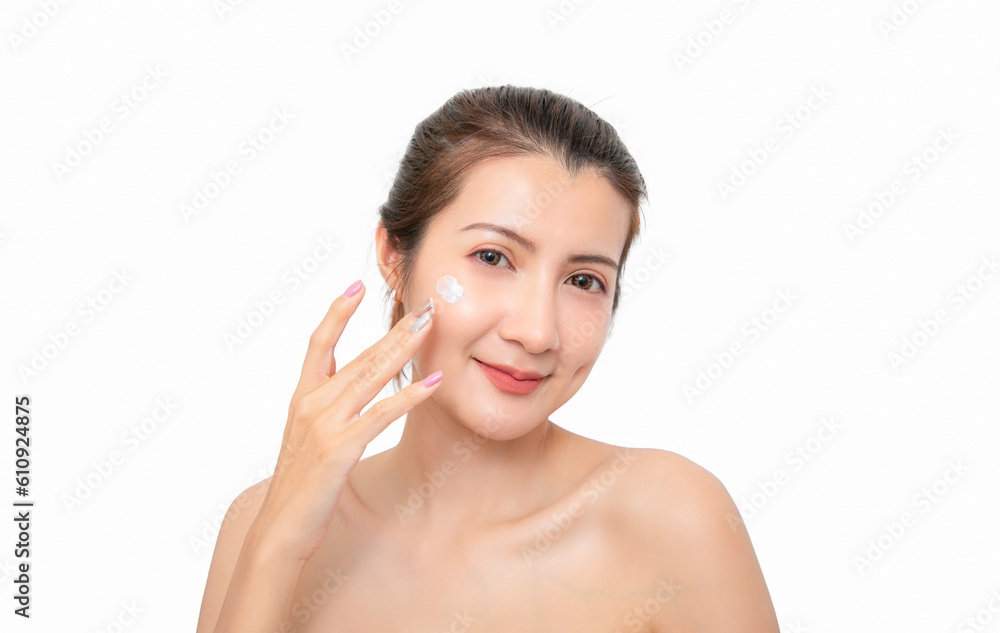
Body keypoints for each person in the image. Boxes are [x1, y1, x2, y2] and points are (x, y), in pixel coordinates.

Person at [196, 85, 780, 633]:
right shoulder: (259, 523)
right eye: (493, 257)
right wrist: (276, 548)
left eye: (583, 279)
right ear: (394, 258)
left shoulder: (671, 517)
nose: (536, 332)